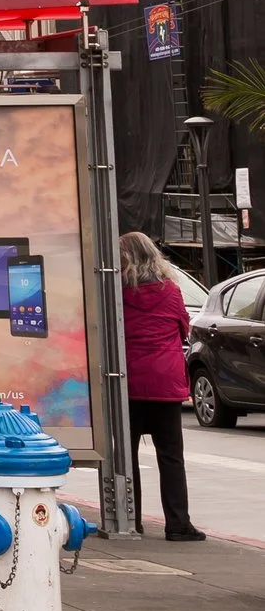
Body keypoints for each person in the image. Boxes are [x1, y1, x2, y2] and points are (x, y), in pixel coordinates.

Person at [120, 229, 204, 541]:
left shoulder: (116, 292)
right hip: (165, 385)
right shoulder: (171, 290)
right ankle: (178, 524)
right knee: (170, 456)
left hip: (127, 384)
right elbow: (184, 327)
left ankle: (130, 520)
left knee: (126, 458)